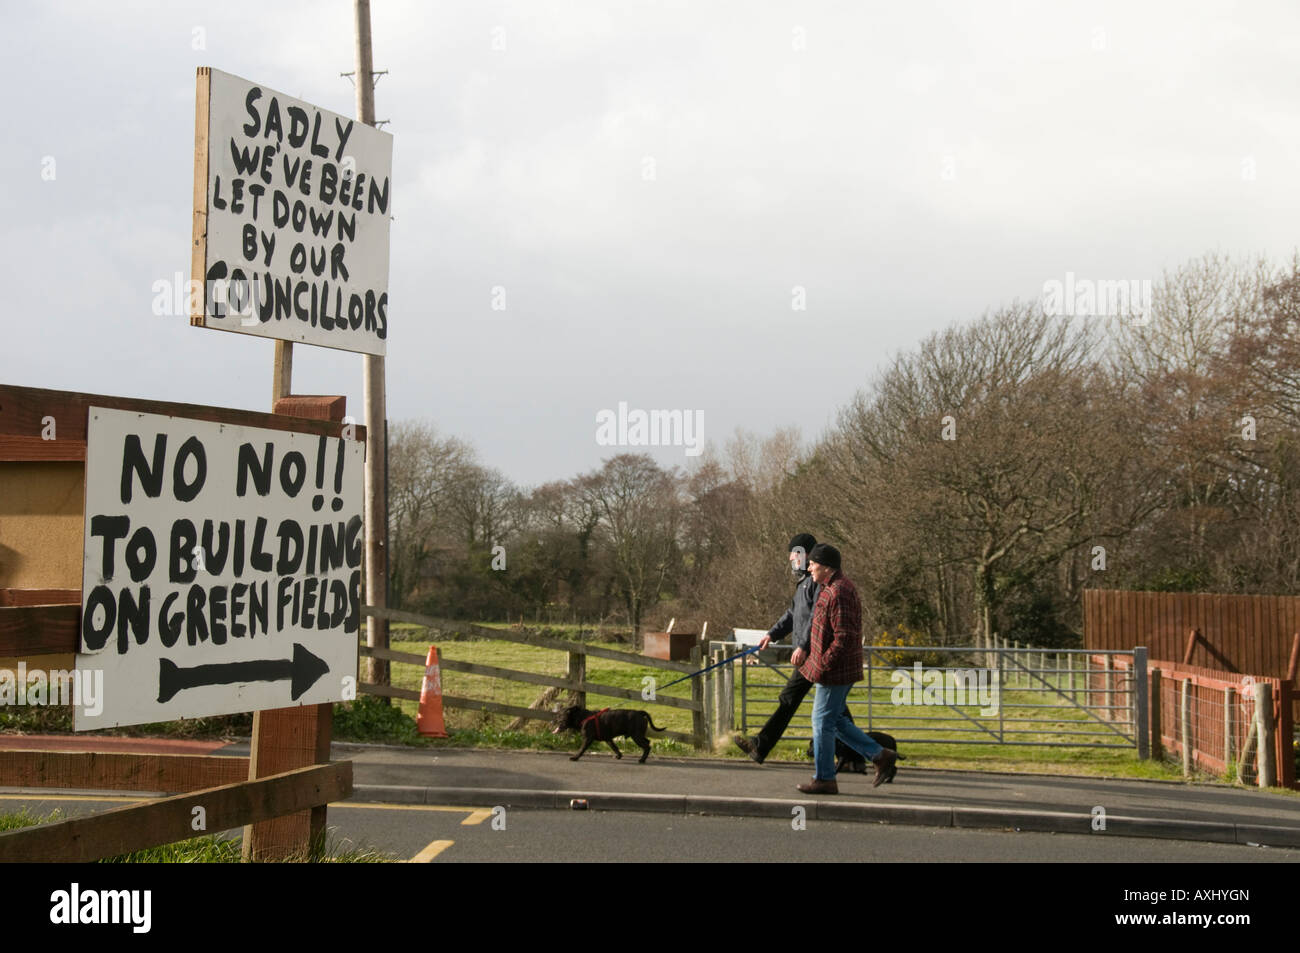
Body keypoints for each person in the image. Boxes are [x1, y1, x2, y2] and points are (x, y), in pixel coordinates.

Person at [732, 533, 844, 764]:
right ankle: (864, 753)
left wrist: (803, 646)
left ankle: (761, 745)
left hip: (813, 654)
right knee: (835, 710)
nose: (791, 558)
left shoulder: (816, 583)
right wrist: (772, 634)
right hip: (808, 653)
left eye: (794, 553)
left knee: (792, 699)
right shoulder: (804, 583)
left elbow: (816, 618)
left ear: (804, 554)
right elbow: (793, 614)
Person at [796, 543, 897, 794]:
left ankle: (825, 779)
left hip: (835, 671)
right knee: (835, 721)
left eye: (813, 563)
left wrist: (823, 664)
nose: (809, 567)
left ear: (827, 567)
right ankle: (879, 754)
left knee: (821, 722)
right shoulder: (829, 588)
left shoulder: (840, 591)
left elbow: (844, 637)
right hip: (831, 669)